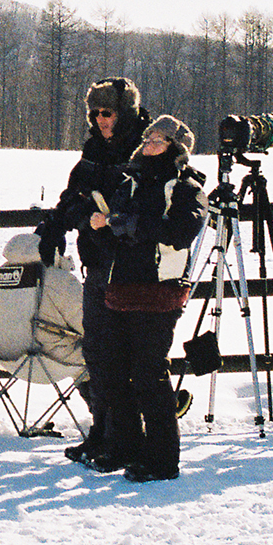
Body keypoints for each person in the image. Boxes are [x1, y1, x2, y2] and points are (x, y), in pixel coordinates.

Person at [35, 77, 151, 470]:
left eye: (108, 113)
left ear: (125, 113)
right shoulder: (94, 148)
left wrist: (109, 220)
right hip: (99, 263)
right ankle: (102, 432)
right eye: (95, 113)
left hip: (134, 268)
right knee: (98, 353)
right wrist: (56, 225)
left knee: (126, 358)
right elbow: (75, 192)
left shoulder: (146, 148)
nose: (101, 120)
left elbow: (147, 206)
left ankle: (125, 440)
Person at [91, 115, 204, 482]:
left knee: (148, 375)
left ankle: (161, 459)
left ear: (176, 148)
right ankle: (125, 447)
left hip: (159, 290)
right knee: (112, 373)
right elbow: (115, 233)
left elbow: (183, 232)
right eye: (149, 138)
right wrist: (103, 226)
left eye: (160, 140)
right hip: (121, 287)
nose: (150, 144)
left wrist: (134, 226)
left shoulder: (185, 187)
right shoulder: (131, 182)